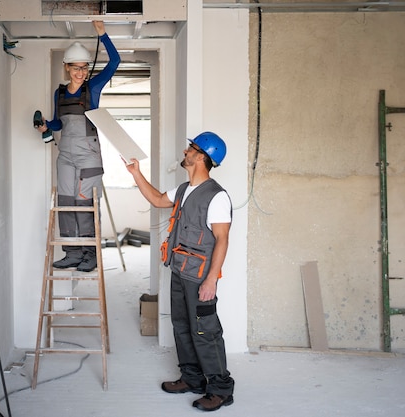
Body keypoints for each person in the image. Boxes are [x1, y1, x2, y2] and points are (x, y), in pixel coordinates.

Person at [125, 131, 235, 412]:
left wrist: (211, 279)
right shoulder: (184, 190)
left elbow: (222, 239)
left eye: (191, 148)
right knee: (182, 326)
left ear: (201, 156)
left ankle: (220, 390)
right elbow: (158, 200)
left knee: (205, 331)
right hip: (179, 270)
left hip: (200, 277)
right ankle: (192, 378)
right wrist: (136, 173)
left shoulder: (217, 196)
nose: (185, 151)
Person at [35, 20, 120, 272]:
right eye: (76, 68)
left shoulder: (92, 88)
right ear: (67, 68)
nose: (81, 73)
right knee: (65, 201)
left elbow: (114, 63)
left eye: (84, 68)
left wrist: (103, 34)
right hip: (66, 155)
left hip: (88, 156)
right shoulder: (59, 93)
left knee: (85, 204)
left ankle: (89, 253)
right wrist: (45, 126)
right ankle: (72, 252)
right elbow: (59, 124)